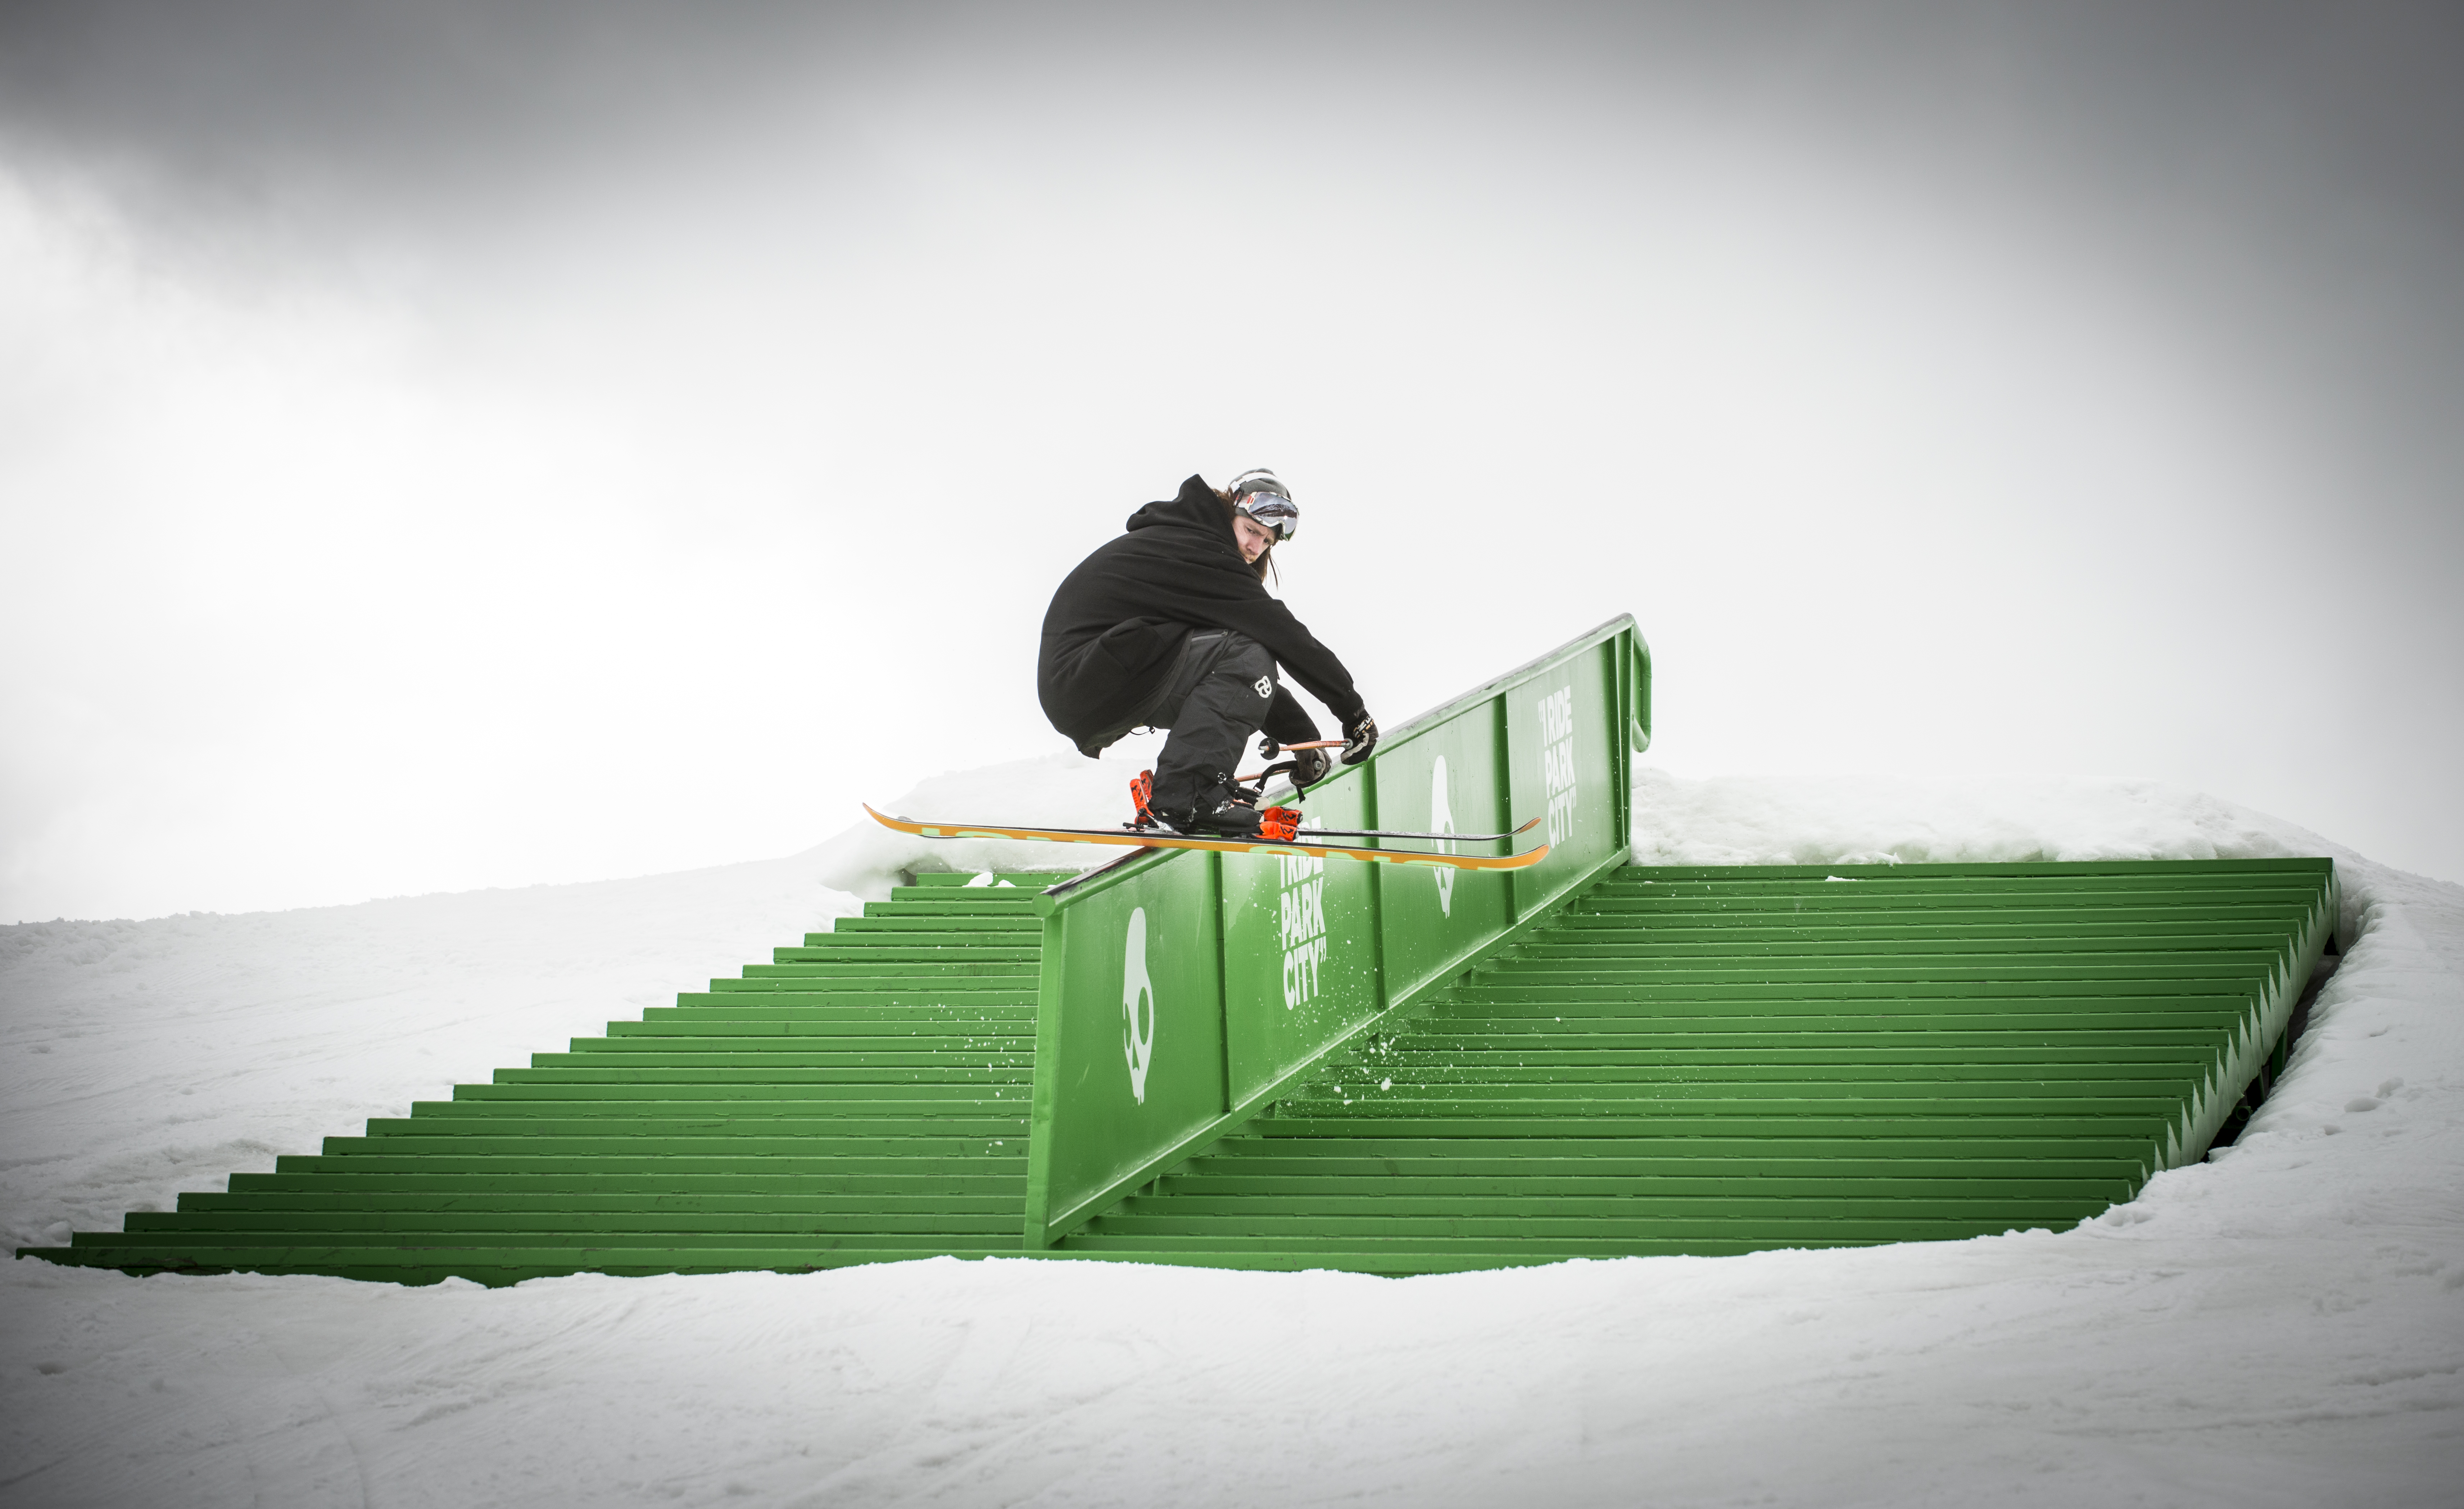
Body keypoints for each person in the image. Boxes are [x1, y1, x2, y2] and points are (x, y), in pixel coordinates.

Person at [1037, 470, 1378, 836]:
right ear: (1230, 512)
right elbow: (1282, 635)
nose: (1254, 547)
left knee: (1239, 651)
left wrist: (1300, 737)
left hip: (1096, 677)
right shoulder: (1201, 550)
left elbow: (1218, 665)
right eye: (1250, 530)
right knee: (1249, 650)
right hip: (1088, 674)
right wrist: (1352, 712)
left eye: (1266, 542)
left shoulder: (1189, 542)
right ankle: (1191, 793)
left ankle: (1192, 788)